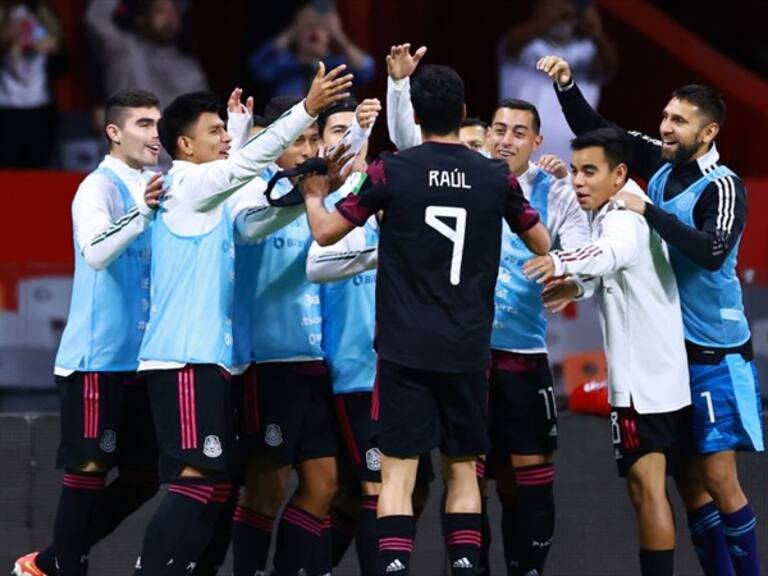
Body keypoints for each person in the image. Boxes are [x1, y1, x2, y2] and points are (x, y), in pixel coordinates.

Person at [299, 63, 550, 576]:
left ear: (414, 113)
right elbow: (543, 244)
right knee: (463, 472)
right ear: (462, 114)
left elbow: (325, 234)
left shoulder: (392, 170)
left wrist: (312, 193)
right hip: (467, 348)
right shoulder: (495, 176)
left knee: (396, 477)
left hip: (404, 349)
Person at [538, 54, 764, 576]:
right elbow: (602, 133)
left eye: (678, 120)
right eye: (665, 116)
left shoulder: (724, 185)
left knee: (720, 480)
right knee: (688, 485)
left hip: (715, 351)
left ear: (707, 132)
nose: (665, 127)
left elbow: (710, 252)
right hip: (672, 351)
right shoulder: (661, 162)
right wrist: (567, 87)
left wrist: (649, 211)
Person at [131, 64, 352, 575]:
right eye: (216, 132)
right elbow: (247, 164)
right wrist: (308, 110)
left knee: (215, 482)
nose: (228, 139)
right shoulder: (189, 181)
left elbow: (255, 224)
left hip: (211, 361)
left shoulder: (210, 197)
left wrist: (309, 193)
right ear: (185, 145)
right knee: (199, 478)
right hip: (183, 358)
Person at [386, 42, 590, 576]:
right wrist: (399, 87)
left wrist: (573, 282)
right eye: (498, 129)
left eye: (519, 132)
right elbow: (409, 142)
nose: (505, 140)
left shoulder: (555, 188)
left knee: (524, 473)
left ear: (539, 142)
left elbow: (583, 255)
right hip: (466, 351)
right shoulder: (464, 176)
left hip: (520, 351)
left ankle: (525, 568)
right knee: (465, 470)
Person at [524, 127, 692, 576]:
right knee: (656, 491)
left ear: (618, 174)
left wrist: (561, 262)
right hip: (659, 377)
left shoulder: (622, 218)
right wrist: (574, 286)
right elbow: (614, 271)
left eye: (590, 172)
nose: (578, 181)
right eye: (575, 171)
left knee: (647, 489)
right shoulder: (620, 206)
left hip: (642, 385)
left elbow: (608, 254)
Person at [13, 89, 164, 576]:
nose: (154, 133)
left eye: (158, 123)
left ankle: (52, 561)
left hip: (146, 360)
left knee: (144, 475)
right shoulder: (97, 188)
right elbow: (97, 252)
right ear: (114, 132)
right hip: (97, 360)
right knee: (90, 470)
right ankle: (65, 567)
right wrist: (141, 212)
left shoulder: (158, 186)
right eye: (143, 123)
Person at [227, 94, 373, 576]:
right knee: (266, 486)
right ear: (275, 145)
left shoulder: (322, 200)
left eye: (314, 138)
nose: (309, 147)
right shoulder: (253, 193)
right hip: (268, 362)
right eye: (299, 139)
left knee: (325, 485)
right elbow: (249, 229)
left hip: (315, 363)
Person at [304, 98, 434, 576]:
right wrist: (385, 253)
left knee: (408, 489)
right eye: (337, 130)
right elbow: (316, 266)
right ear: (319, 142)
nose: (348, 138)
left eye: (355, 129)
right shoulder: (325, 203)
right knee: (377, 488)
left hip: (403, 367)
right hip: (356, 370)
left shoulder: (387, 188)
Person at [497, 0, 617, 161]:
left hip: (565, 166)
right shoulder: (523, 44)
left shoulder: (589, 52)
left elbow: (610, 66)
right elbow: (509, 46)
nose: (563, 11)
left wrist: (596, 33)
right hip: (514, 159)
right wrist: (545, 20)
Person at [85, 0, 207, 109]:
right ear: (141, 18)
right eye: (160, 10)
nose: (169, 17)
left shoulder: (190, 70)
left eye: (174, 11)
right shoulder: (123, 49)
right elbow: (96, 18)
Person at [249, 0, 375, 101]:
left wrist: (339, 36)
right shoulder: (283, 65)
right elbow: (257, 65)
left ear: (330, 34)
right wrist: (294, 28)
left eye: (321, 27)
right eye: (309, 26)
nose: (314, 32)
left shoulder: (339, 67)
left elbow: (366, 69)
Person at [0, 0, 61, 167]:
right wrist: (8, 42)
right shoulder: (5, 14)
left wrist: (51, 48)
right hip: (7, 108)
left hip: (40, 108)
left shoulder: (42, 14)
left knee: (38, 168)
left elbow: (62, 62)